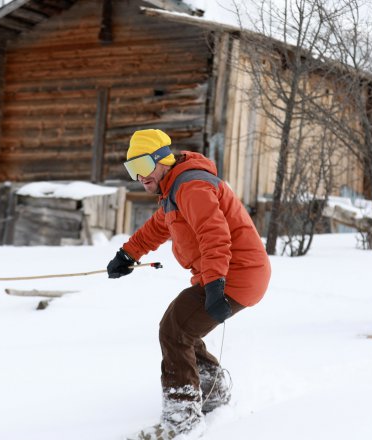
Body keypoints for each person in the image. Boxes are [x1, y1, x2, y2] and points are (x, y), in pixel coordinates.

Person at [107, 129, 271, 438]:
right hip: (228, 272)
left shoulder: (191, 186)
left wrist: (214, 285)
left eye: (143, 166)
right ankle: (213, 392)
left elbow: (214, 235)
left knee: (176, 329)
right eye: (132, 170)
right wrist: (128, 254)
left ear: (162, 160)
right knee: (181, 326)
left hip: (236, 273)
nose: (140, 177)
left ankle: (182, 417)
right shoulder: (175, 189)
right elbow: (158, 226)